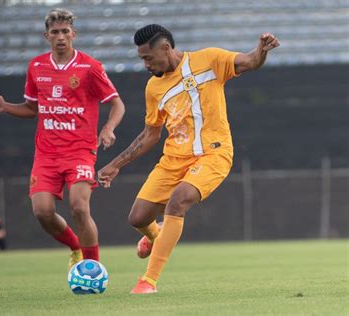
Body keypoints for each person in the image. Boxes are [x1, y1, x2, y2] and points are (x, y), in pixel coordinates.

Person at [98, 24, 280, 294]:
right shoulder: (153, 88)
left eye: (148, 58)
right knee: (137, 218)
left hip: (213, 153)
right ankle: (156, 236)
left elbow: (250, 61)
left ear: (166, 48)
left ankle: (148, 281)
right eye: (142, 59)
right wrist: (115, 164)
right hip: (173, 158)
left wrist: (261, 50)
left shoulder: (209, 60)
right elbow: (150, 134)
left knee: (178, 200)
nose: (145, 64)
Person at [0, 8, 125, 269]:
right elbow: (31, 109)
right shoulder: (36, 66)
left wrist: (108, 129)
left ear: (74, 34)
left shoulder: (90, 67)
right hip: (46, 154)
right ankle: (75, 247)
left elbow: (117, 104)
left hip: (81, 150)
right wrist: (6, 107)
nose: (60, 36)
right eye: (55, 32)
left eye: (65, 31)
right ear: (46, 35)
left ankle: (93, 270)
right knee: (42, 212)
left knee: (79, 207)